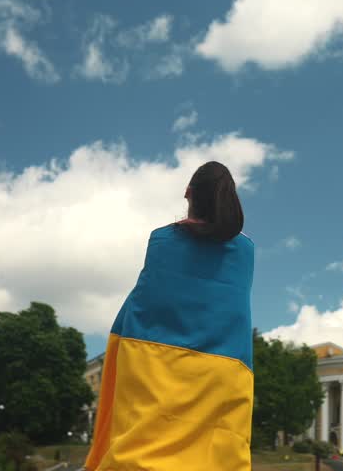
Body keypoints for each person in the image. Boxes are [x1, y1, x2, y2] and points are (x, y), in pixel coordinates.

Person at [84, 161, 254, 470]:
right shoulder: (245, 253)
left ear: (188, 192)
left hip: (154, 365)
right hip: (222, 373)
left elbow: (140, 305)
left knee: (141, 442)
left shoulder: (162, 241)